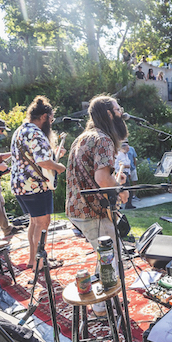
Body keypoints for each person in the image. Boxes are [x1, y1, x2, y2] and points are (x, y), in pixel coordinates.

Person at [65, 95, 130, 250]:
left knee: (106, 257)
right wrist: (121, 190)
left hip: (78, 207)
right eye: (117, 109)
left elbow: (91, 176)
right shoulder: (103, 139)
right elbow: (101, 178)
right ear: (108, 114)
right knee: (111, 257)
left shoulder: (83, 137)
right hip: (92, 211)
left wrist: (113, 180)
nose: (120, 113)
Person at [10, 96, 66, 271]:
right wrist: (59, 166)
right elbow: (43, 162)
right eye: (50, 119)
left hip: (21, 185)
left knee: (34, 223)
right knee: (42, 224)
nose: (51, 122)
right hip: (35, 186)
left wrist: (55, 156)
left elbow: (33, 158)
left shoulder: (20, 130)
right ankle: (41, 263)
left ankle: (33, 260)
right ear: (43, 117)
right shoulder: (35, 133)